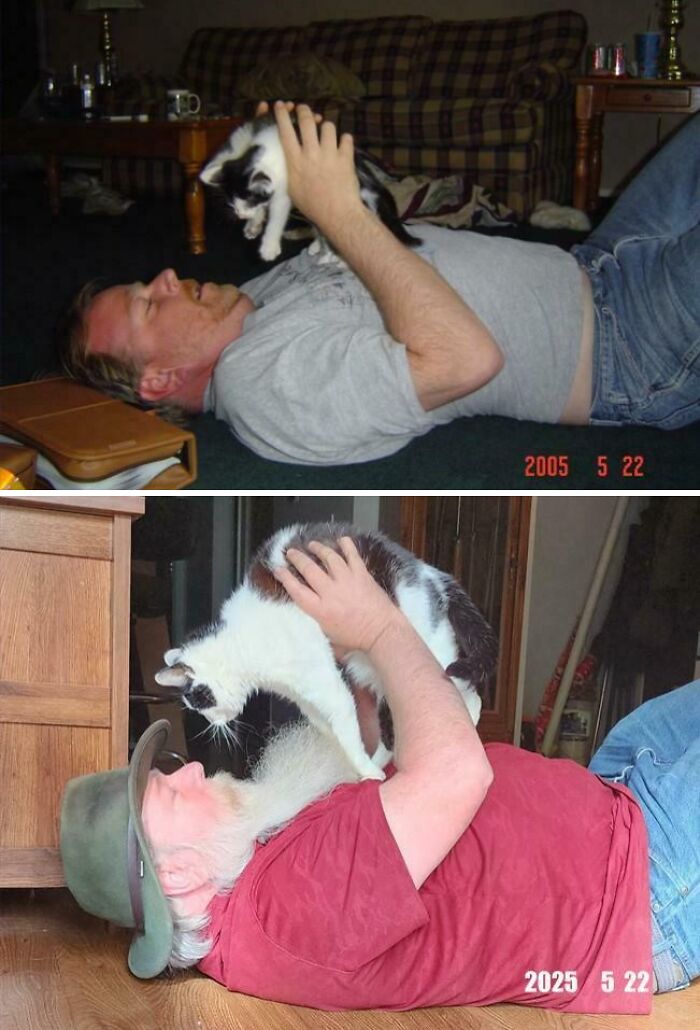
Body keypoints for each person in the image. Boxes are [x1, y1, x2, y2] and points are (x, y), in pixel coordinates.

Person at [60, 537, 699, 1012]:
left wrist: (361, 685)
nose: (195, 768)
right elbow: (454, 774)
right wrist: (380, 626)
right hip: (647, 886)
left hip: (615, 802)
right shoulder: (288, 908)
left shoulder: (257, 885)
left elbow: (376, 806)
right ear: (177, 873)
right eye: (171, 791)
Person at [56, 106, 699, 466]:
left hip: (602, 261)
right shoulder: (261, 385)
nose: (166, 277)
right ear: (159, 381)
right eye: (148, 302)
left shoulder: (256, 302)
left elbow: (383, 251)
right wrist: (339, 213)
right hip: (636, 347)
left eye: (148, 282)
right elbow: (465, 361)